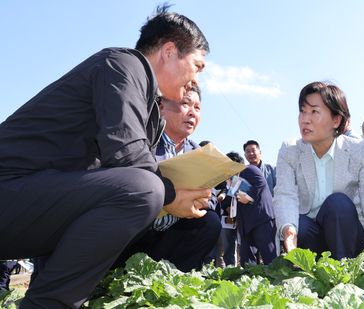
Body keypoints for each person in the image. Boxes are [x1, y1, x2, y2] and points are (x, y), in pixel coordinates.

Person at [0, 5, 211, 308]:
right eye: (197, 66)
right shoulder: (123, 64)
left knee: (141, 191)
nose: (196, 81)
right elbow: (126, 153)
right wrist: (171, 194)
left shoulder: (151, 111)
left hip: (29, 204)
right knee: (142, 190)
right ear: (168, 50)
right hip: (9, 190)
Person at [273, 81, 364, 287]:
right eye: (302, 111)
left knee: (338, 203)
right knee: (299, 222)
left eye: (314, 112)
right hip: (309, 236)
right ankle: (310, 275)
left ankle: (345, 275)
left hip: (345, 233)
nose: (305, 119)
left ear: (336, 120)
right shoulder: (290, 150)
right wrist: (288, 231)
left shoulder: (359, 150)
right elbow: (285, 194)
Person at [115, 85, 221, 272]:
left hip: (175, 229)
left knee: (210, 221)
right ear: (162, 106)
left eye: (197, 108)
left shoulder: (200, 154)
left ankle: (177, 278)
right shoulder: (142, 141)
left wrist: (202, 200)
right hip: (138, 229)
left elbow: (211, 197)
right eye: (185, 104)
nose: (192, 113)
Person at [229, 152, 277, 265]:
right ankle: (249, 280)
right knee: (246, 258)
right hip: (246, 224)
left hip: (261, 219)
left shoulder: (250, 169)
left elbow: (261, 185)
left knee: (268, 254)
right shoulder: (234, 178)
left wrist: (248, 197)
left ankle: (275, 279)